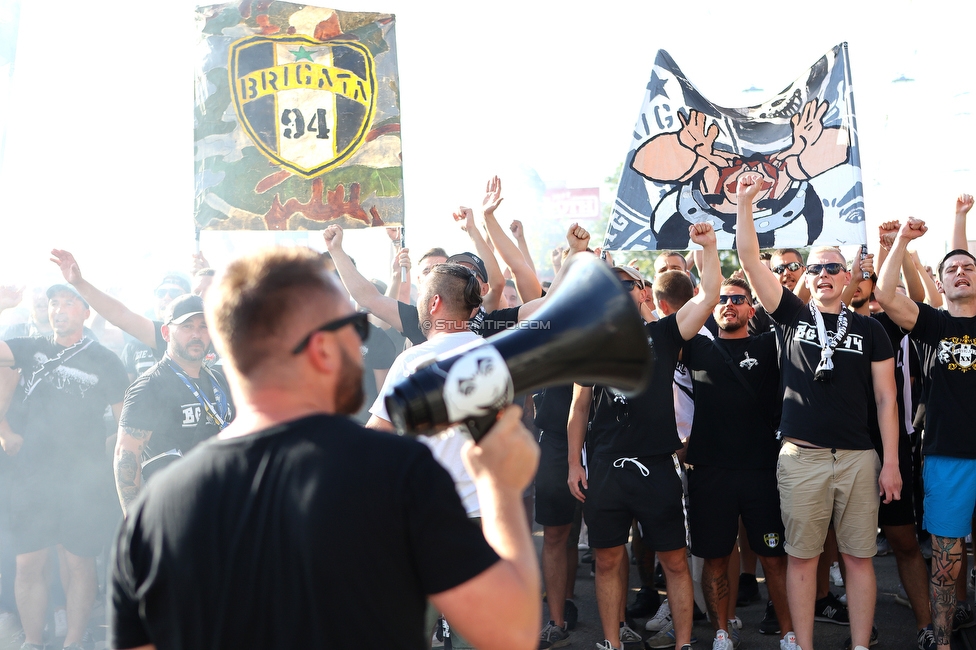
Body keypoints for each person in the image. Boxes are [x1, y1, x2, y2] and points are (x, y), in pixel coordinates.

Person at [108, 247, 541, 650]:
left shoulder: (156, 510)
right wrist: (500, 488)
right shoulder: (395, 471)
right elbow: (510, 632)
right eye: (352, 327)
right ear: (320, 348)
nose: (360, 343)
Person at [735, 172, 900, 650]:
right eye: (816, 269)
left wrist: (889, 462)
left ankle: (861, 646)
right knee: (803, 559)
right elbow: (749, 259)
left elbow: (887, 399)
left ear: (847, 278)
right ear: (806, 277)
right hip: (801, 458)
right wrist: (746, 204)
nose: (823, 275)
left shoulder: (872, 331)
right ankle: (803, 646)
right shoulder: (791, 315)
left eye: (832, 268)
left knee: (858, 559)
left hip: (856, 458)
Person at [567, 222, 722, 650]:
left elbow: (708, 295)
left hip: (656, 465)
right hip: (605, 468)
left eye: (626, 284)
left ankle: (684, 643)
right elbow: (579, 408)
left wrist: (708, 247)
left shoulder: (665, 333)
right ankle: (613, 643)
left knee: (674, 560)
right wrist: (572, 464)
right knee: (607, 558)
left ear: (642, 293)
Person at [0, 284, 129, 650]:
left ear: (86, 312)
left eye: (69, 303)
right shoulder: (32, 346)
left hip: (82, 480)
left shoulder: (105, 360)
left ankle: (74, 641)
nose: (59, 309)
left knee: (79, 563)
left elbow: (125, 422)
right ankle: (32, 641)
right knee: (27, 563)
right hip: (32, 474)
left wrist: (108, 459)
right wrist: (4, 307)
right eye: (54, 303)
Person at [874, 218, 976, 650]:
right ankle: (943, 639)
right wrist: (900, 241)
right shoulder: (933, 325)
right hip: (946, 455)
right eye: (951, 268)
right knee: (947, 560)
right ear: (942, 281)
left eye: (968, 267)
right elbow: (883, 294)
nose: (960, 272)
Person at [681, 278, 793, 650]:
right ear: (711, 308)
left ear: (751, 308)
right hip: (710, 471)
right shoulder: (695, 346)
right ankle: (721, 634)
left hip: (763, 470)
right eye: (722, 299)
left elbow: (794, 309)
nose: (729, 305)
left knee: (774, 559)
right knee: (714, 559)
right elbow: (659, 322)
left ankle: (788, 633)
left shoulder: (770, 344)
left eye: (737, 299)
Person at [114, 294, 234, 516]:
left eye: (203, 326)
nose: (197, 334)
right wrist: (135, 525)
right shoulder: (149, 386)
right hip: (175, 513)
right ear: (166, 333)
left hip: (223, 507)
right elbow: (126, 456)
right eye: (187, 326)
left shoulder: (220, 379)